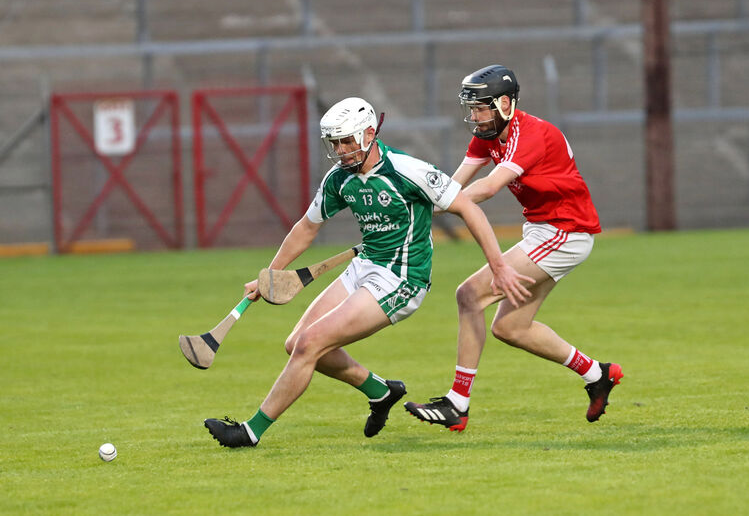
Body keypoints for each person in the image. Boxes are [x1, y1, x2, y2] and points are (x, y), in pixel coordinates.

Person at [204, 96, 532, 448]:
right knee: (295, 344)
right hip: (364, 266)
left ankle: (250, 432)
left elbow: (468, 208)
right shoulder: (339, 179)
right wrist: (270, 275)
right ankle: (380, 392)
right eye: (335, 143)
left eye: (347, 141)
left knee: (310, 344)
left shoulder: (408, 170)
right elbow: (306, 228)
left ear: (369, 134)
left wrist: (498, 266)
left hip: (402, 279)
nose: (341, 151)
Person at [404, 65, 624, 432]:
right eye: (472, 109)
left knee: (469, 295)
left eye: (480, 108)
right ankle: (597, 374)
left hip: (566, 231)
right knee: (510, 327)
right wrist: (419, 204)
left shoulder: (532, 133)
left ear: (505, 103)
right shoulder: (487, 135)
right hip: (542, 231)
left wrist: (434, 208)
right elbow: (453, 186)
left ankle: (457, 404)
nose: (475, 117)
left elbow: (488, 188)